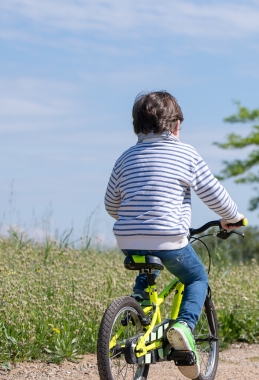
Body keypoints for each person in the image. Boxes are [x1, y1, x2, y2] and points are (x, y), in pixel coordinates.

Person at [104, 91, 243, 378]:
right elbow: (213, 193)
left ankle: (139, 307)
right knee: (196, 277)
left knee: (147, 266)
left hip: (128, 238)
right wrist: (232, 218)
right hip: (169, 237)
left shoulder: (124, 158)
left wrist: (135, 218)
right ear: (176, 125)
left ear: (136, 126)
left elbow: (110, 204)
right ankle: (183, 326)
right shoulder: (185, 153)